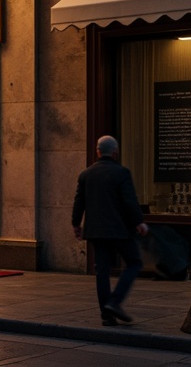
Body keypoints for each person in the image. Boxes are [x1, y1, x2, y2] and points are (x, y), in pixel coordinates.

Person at [72, 135, 149, 326]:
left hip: (96, 230)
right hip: (118, 229)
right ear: (115, 153)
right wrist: (139, 222)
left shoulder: (86, 174)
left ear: (98, 152)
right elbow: (129, 201)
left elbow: (79, 201)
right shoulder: (121, 173)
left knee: (102, 271)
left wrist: (76, 224)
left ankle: (106, 314)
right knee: (133, 262)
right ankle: (114, 302)